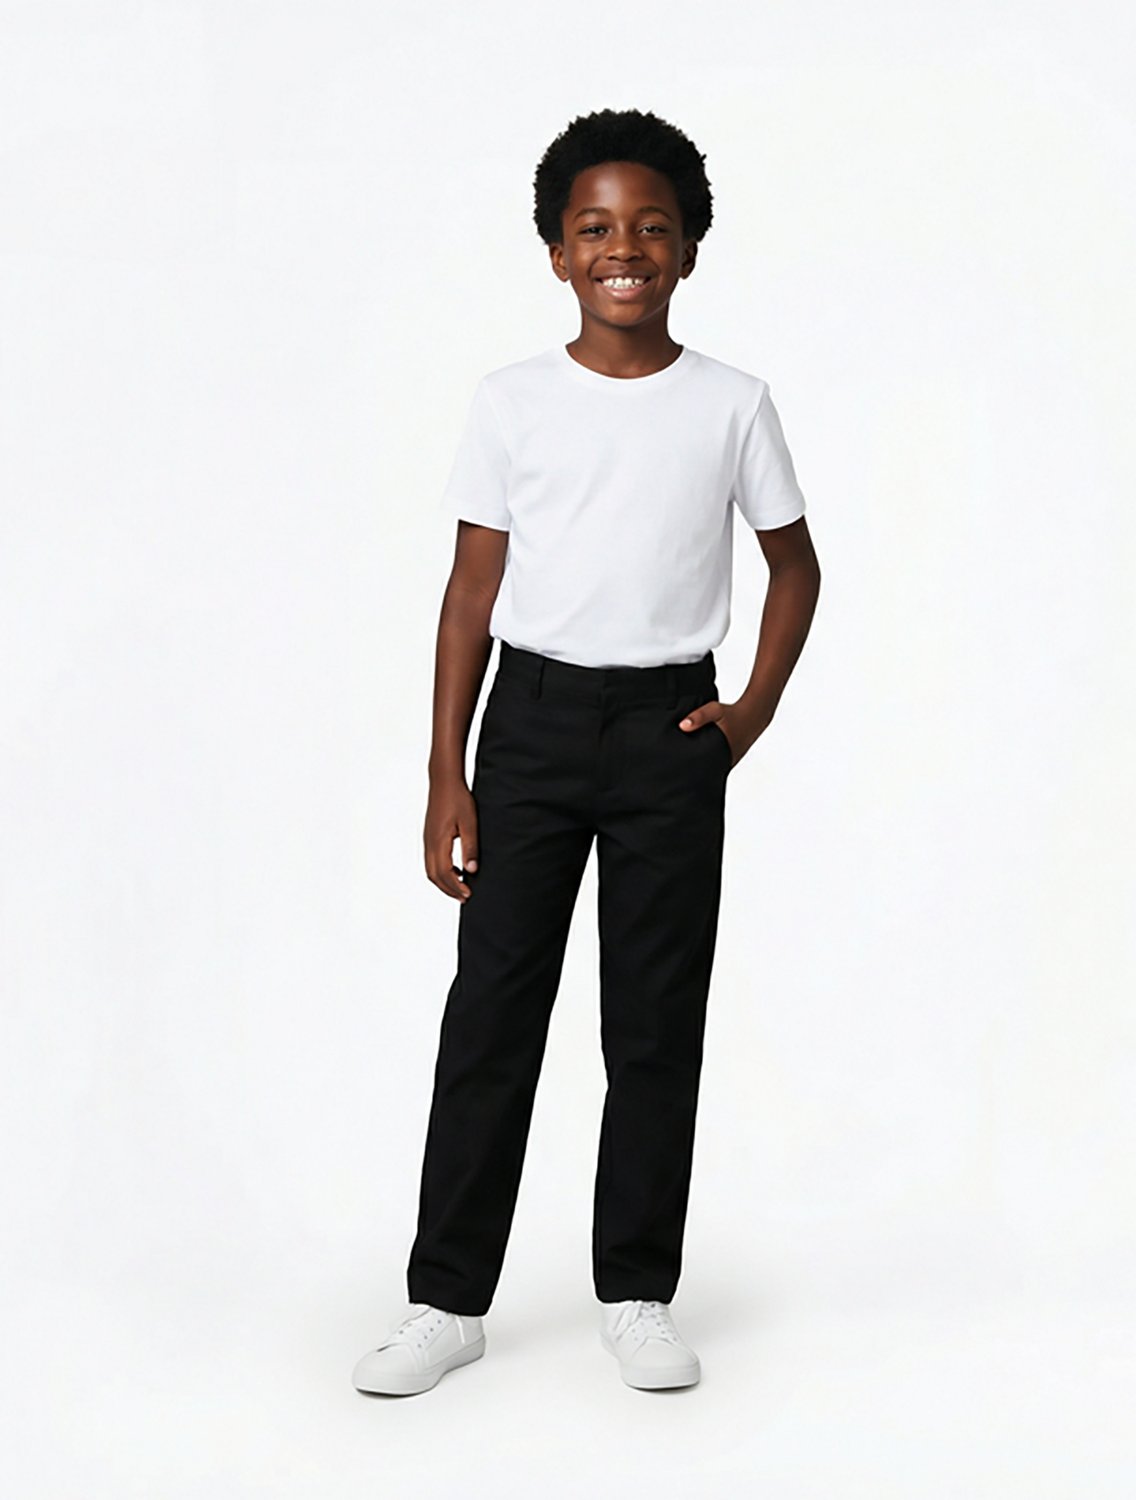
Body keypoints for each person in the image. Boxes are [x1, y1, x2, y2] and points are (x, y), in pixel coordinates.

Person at [353, 106, 821, 1397]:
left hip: (671, 732)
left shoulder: (732, 404)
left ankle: (637, 1293)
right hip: (534, 730)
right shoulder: (511, 403)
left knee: (654, 1021)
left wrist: (750, 710)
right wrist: (447, 772)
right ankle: (446, 1301)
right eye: (596, 228)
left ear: (689, 248)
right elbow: (469, 595)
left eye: (651, 227)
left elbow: (794, 566)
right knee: (492, 1014)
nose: (625, 248)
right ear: (558, 252)